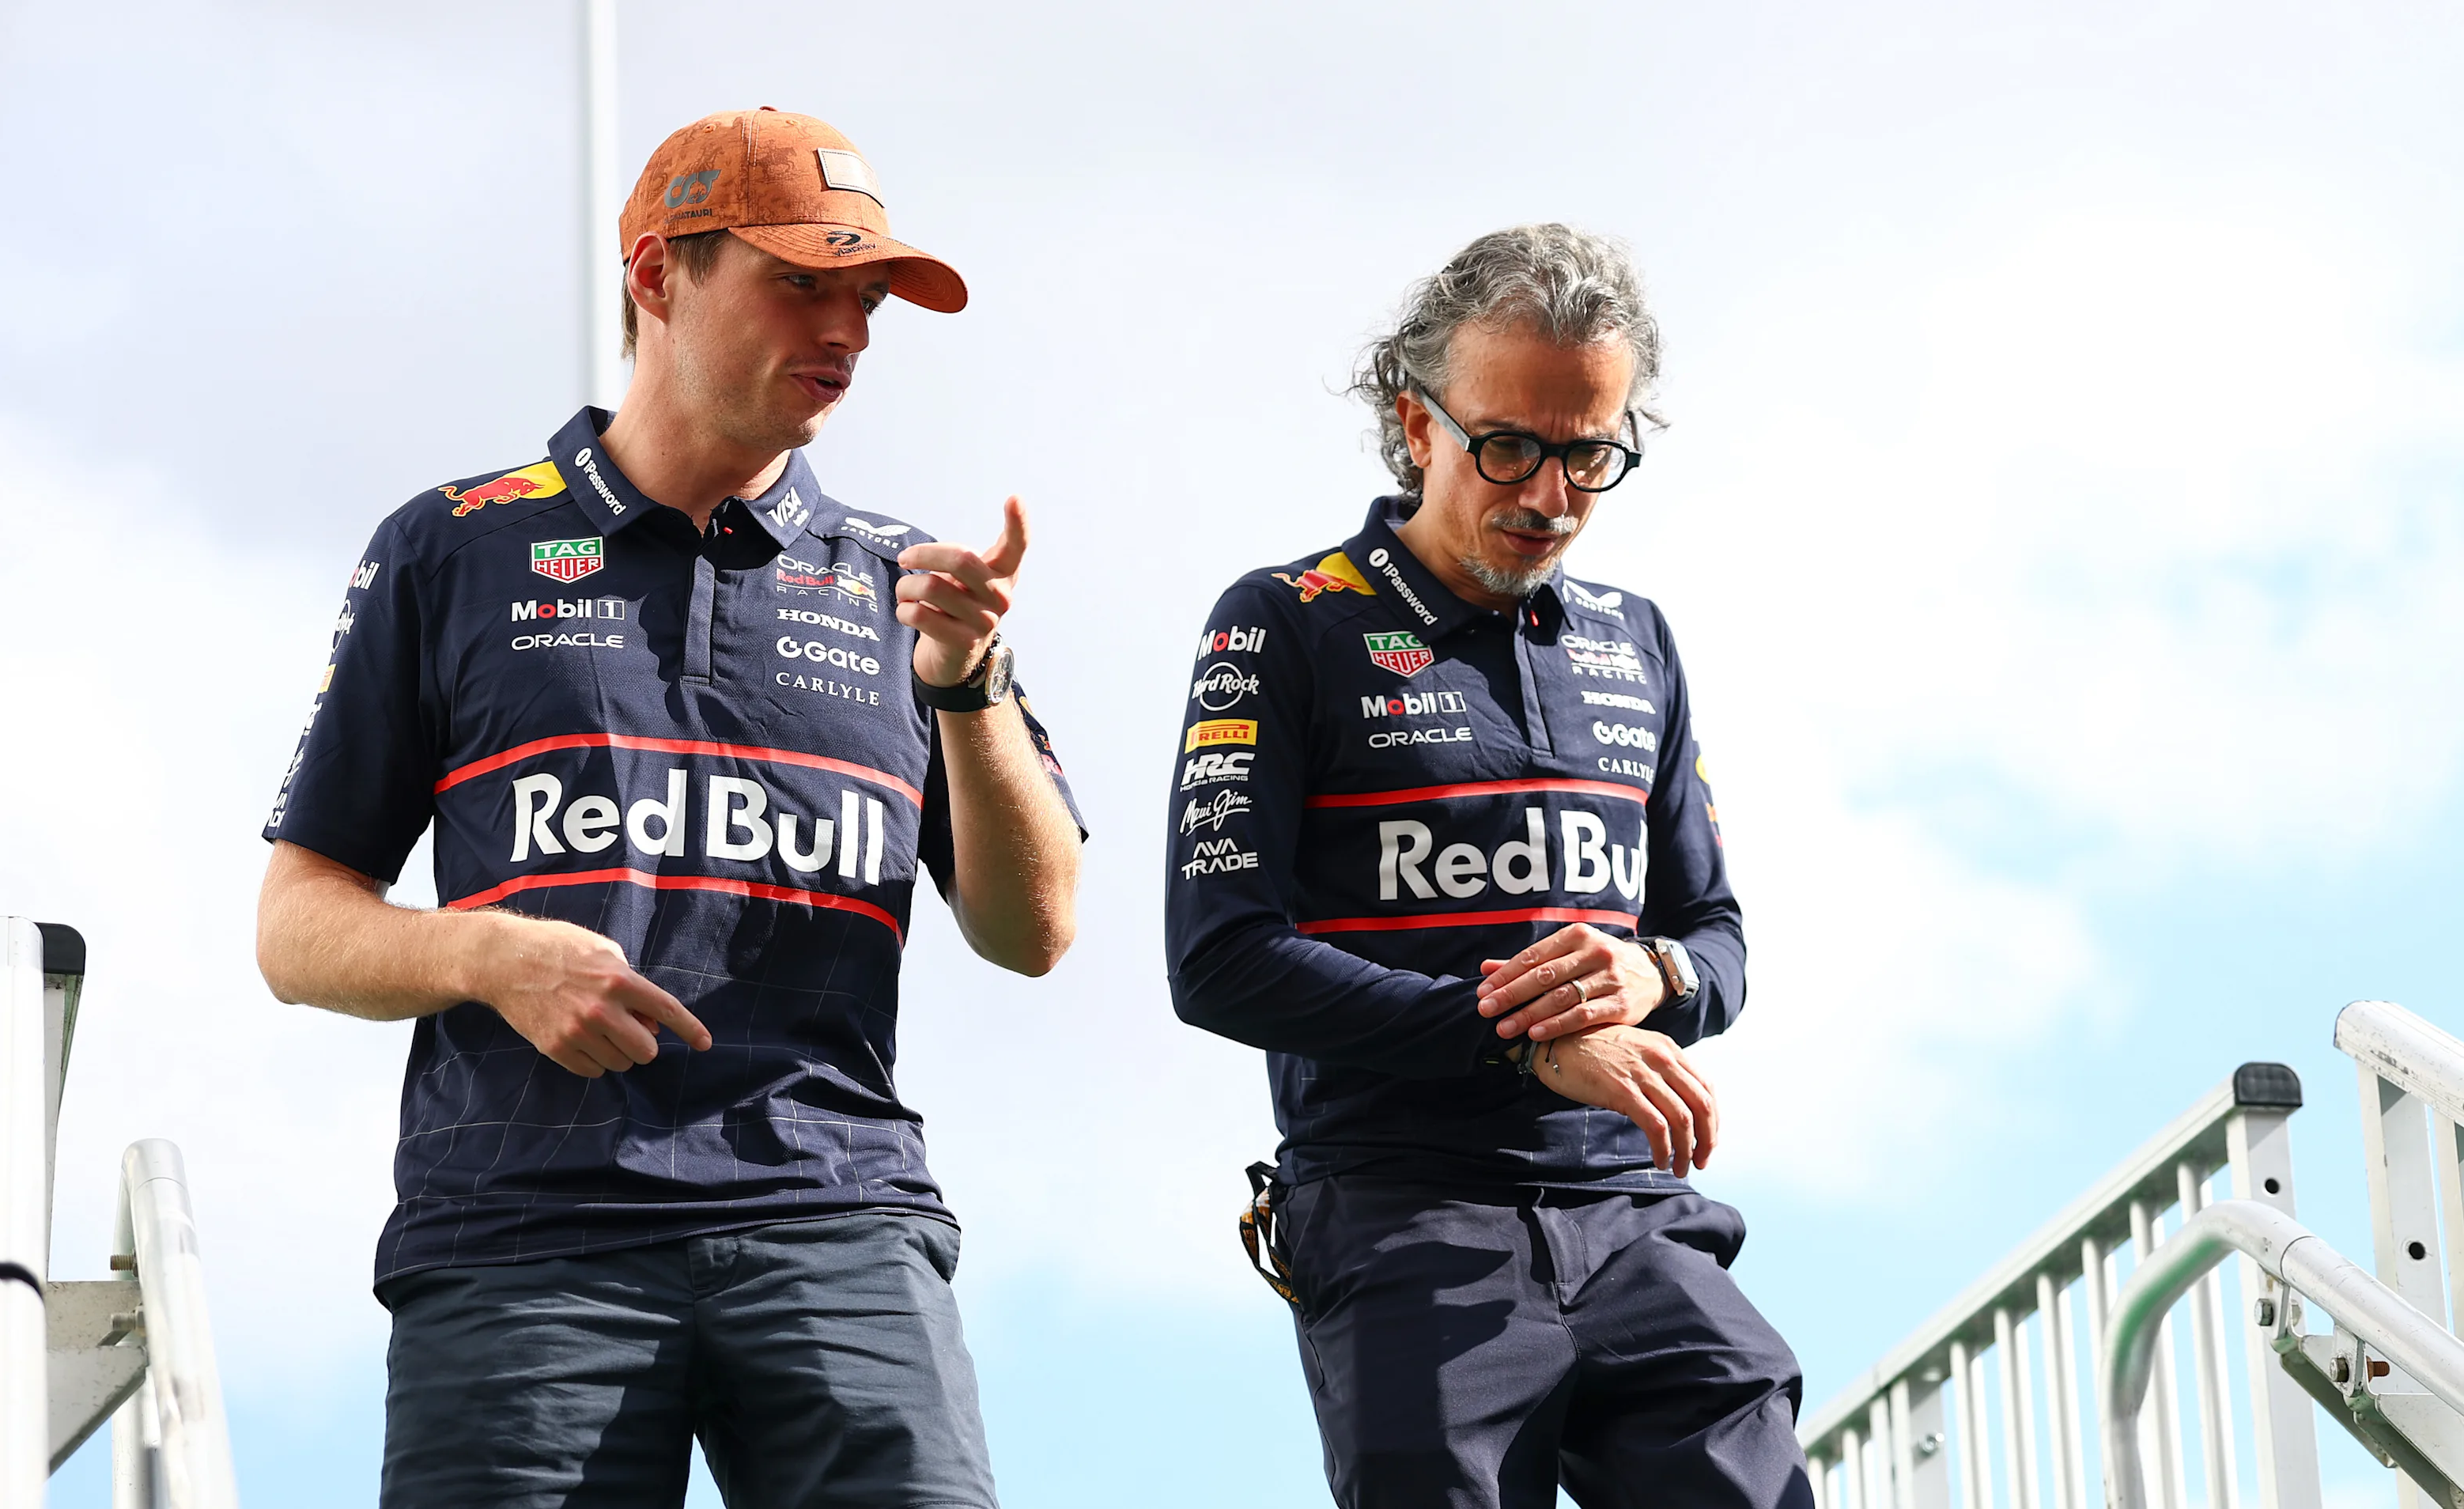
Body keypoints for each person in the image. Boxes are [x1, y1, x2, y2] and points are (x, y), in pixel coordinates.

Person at [255, 107, 1083, 1509]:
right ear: (655, 274)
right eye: (802, 282)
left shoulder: (911, 584)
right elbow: (295, 929)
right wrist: (485, 953)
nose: (848, 331)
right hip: (521, 1234)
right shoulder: (453, 544)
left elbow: (1036, 932)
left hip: (837, 1217)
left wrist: (968, 687)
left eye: (867, 297)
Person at [1164, 224, 1807, 1508]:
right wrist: (1515, 1041)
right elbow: (1219, 961)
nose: (1549, 497)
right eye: (1507, 446)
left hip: (1634, 1210)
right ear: (1416, 422)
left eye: (1589, 455)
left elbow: (1717, 939)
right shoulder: (1284, 619)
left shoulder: (1637, 639)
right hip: (1400, 1209)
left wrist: (1652, 976)